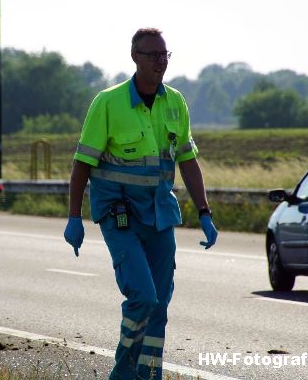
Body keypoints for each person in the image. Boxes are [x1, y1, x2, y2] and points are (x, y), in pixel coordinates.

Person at [63, 28, 218, 380]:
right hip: (120, 216)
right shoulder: (108, 102)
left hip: (160, 215)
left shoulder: (175, 101)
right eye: (153, 55)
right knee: (143, 298)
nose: (160, 62)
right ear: (134, 56)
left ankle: (149, 375)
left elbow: (188, 160)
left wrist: (205, 212)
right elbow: (82, 164)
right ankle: (123, 373)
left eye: (165, 55)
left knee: (160, 306)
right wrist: (74, 217)